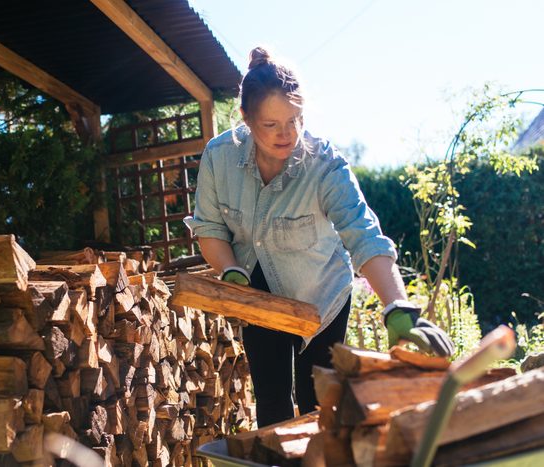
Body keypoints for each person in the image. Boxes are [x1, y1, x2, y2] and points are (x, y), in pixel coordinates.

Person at [183, 47, 454, 428]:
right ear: (246, 119)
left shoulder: (325, 164)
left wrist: (396, 305)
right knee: (273, 401)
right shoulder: (219, 156)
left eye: (295, 119)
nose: (287, 134)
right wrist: (229, 270)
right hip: (258, 292)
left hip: (322, 294)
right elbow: (210, 228)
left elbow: (363, 235)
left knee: (319, 404)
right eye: (271, 125)